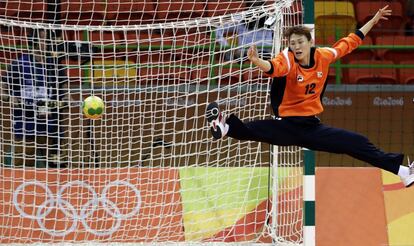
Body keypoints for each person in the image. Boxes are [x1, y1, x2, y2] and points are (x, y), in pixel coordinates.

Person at [206, 5, 414, 187]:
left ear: (309, 42)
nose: (296, 46)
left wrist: (374, 20)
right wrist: (256, 61)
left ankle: (402, 172)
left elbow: (349, 42)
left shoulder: (323, 56)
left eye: (299, 42)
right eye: (292, 43)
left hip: (311, 127)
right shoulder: (287, 59)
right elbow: (273, 68)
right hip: (286, 124)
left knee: (357, 142)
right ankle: (224, 127)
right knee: (255, 130)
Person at [4, 28, 68, 168]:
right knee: (21, 168)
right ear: (34, 41)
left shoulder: (56, 66)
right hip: (25, 127)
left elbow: (65, 100)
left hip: (51, 129)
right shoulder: (19, 64)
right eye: (44, 40)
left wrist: (49, 106)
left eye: (49, 40)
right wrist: (10, 99)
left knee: (56, 170)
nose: (47, 43)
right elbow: (3, 86)